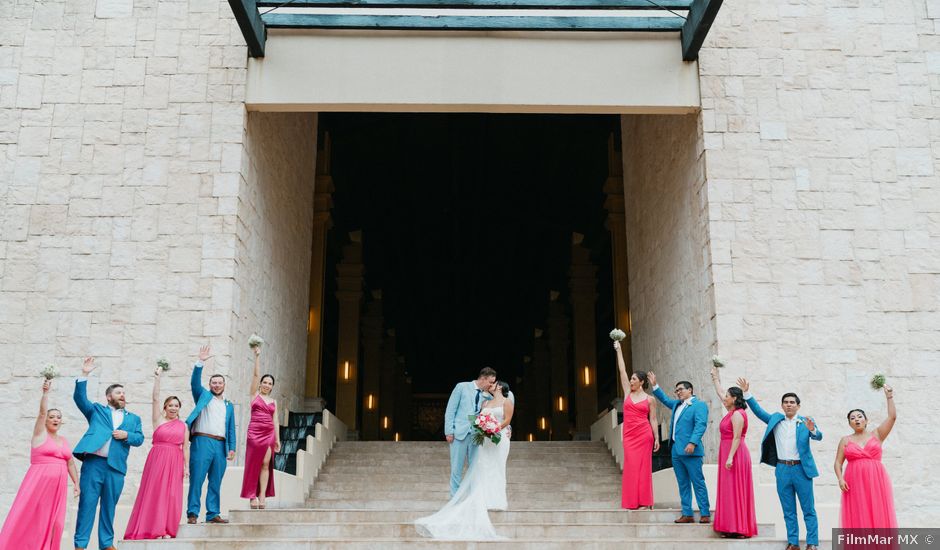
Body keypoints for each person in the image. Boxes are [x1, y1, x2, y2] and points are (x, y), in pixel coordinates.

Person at [415, 379, 513, 539]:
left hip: (499, 439)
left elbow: (507, 419)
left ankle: (497, 499)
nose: (491, 385)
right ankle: (475, 498)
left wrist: (499, 428)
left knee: (497, 467)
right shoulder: (485, 402)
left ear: (500, 387)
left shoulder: (507, 401)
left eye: (494, 384)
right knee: (482, 467)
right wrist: (482, 429)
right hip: (484, 439)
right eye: (490, 382)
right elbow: (477, 417)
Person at [739, 377, 822, 550]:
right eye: (786, 402)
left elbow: (818, 436)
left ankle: (812, 543)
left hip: (801, 469)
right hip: (783, 469)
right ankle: (793, 542)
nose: (789, 405)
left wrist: (812, 429)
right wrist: (747, 394)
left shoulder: (805, 421)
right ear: (782, 406)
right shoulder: (776, 420)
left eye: (792, 402)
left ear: (798, 406)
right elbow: (759, 412)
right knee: (788, 510)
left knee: (808, 509)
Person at [72, 357, 145, 550]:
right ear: (109, 397)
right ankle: (80, 544)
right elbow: (80, 399)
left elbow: (139, 438)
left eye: (124, 393)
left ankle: (106, 544)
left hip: (116, 467)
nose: (122, 395)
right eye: (118, 392)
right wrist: (84, 374)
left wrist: (127, 435)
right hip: (94, 464)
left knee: (109, 507)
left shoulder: (134, 419)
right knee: (87, 505)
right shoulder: (96, 410)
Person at [0, 379, 80, 549]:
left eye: (58, 417)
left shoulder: (64, 440)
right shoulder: (39, 435)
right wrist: (45, 393)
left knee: (56, 523)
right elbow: (42, 413)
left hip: (58, 487)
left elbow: (70, 463)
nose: (55, 419)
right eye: (52, 417)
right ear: (46, 421)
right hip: (39, 483)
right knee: (31, 517)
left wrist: (76, 483)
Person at [124, 366, 190, 540]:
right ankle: (153, 529)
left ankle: (167, 529)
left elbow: (186, 448)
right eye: (170, 405)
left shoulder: (184, 426)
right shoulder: (158, 420)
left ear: (179, 408)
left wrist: (186, 467)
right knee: (154, 491)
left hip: (175, 460)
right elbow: (154, 398)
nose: (173, 408)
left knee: (171, 494)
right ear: (165, 407)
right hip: (157, 459)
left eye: (176, 406)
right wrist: (157, 378)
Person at [649, 371, 710, 524]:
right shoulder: (677, 404)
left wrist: (692, 442)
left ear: (690, 390)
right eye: (676, 391)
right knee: (682, 483)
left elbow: (700, 425)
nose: (678, 393)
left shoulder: (699, 405)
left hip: (692, 451)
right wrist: (655, 385)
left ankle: (705, 513)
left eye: (680, 389)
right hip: (676, 450)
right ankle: (687, 513)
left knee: (698, 482)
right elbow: (664, 399)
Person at [186, 345, 237, 524]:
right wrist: (200, 362)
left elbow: (231, 428)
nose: (217, 385)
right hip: (202, 441)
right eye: (213, 383)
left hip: (220, 445)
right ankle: (192, 513)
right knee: (197, 479)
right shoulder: (203, 396)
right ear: (210, 385)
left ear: (224, 385)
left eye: (220, 383)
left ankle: (213, 513)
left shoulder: (229, 405)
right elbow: (194, 383)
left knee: (216, 481)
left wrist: (232, 448)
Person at [835, 385, 897, 529]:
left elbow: (892, 417)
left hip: (876, 479)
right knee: (858, 512)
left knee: (878, 510)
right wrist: (840, 478)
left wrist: (889, 397)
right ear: (849, 423)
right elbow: (838, 463)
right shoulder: (845, 440)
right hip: (854, 481)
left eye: (859, 416)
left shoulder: (877, 434)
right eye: (852, 418)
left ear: (866, 420)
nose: (856, 419)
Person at [710, 367, 757, 538]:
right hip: (727, 452)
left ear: (735, 398)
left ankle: (740, 528)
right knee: (728, 490)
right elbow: (720, 392)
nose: (725, 398)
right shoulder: (731, 411)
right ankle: (729, 526)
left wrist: (730, 457)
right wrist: (715, 377)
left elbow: (737, 437)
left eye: (728, 396)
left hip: (735, 454)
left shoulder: (738, 414)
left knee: (736, 489)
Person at [614, 340, 659, 510]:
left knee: (644, 468)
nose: (631, 381)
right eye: (631, 379)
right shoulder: (627, 392)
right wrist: (618, 349)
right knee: (631, 467)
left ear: (641, 382)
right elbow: (622, 370)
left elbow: (653, 419)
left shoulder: (650, 399)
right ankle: (631, 501)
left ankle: (645, 502)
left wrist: (656, 438)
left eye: (634, 379)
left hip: (645, 434)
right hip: (629, 435)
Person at [442, 367, 497, 497]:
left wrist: (507, 428)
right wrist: (449, 431)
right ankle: (454, 498)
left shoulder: (488, 396)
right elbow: (451, 410)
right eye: (490, 382)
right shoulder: (461, 387)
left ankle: (473, 498)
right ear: (483, 378)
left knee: (475, 468)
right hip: (459, 433)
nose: (491, 385)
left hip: (477, 434)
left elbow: (498, 413)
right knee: (457, 468)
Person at [241, 344, 281, 509]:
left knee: (265, 464)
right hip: (254, 433)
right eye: (264, 382)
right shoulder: (254, 395)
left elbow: (276, 421)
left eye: (269, 383)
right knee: (254, 464)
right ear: (260, 384)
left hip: (269, 434)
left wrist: (278, 440)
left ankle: (262, 495)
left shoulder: (274, 402)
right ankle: (251, 496)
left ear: (272, 386)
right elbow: (255, 375)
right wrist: (257, 356)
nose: (266, 385)